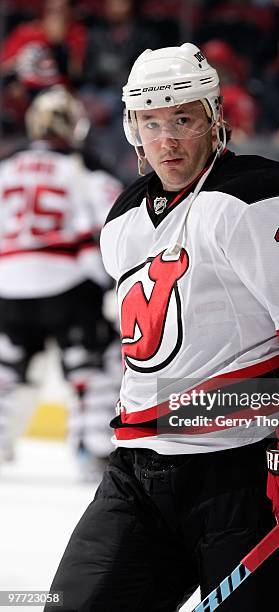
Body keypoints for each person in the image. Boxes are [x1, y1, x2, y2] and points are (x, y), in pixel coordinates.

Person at [45, 43, 279, 611]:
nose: (168, 139)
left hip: (242, 478)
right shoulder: (122, 218)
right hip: (137, 477)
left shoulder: (264, 194)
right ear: (132, 128)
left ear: (214, 117)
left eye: (182, 118)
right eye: (152, 122)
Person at [0, 86, 122, 480]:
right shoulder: (83, 170)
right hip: (68, 287)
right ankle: (93, 449)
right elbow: (114, 227)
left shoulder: (5, 167)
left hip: (6, 286)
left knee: (4, 367)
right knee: (94, 363)